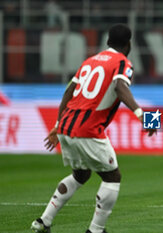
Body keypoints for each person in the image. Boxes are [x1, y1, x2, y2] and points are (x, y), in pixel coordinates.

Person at [31, 24, 156, 233]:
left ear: (107, 42)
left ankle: (43, 222)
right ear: (129, 44)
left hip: (67, 127)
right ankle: (96, 230)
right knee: (112, 176)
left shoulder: (89, 62)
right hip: (88, 129)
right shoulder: (123, 62)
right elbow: (119, 86)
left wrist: (56, 126)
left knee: (80, 174)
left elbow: (68, 93)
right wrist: (142, 115)